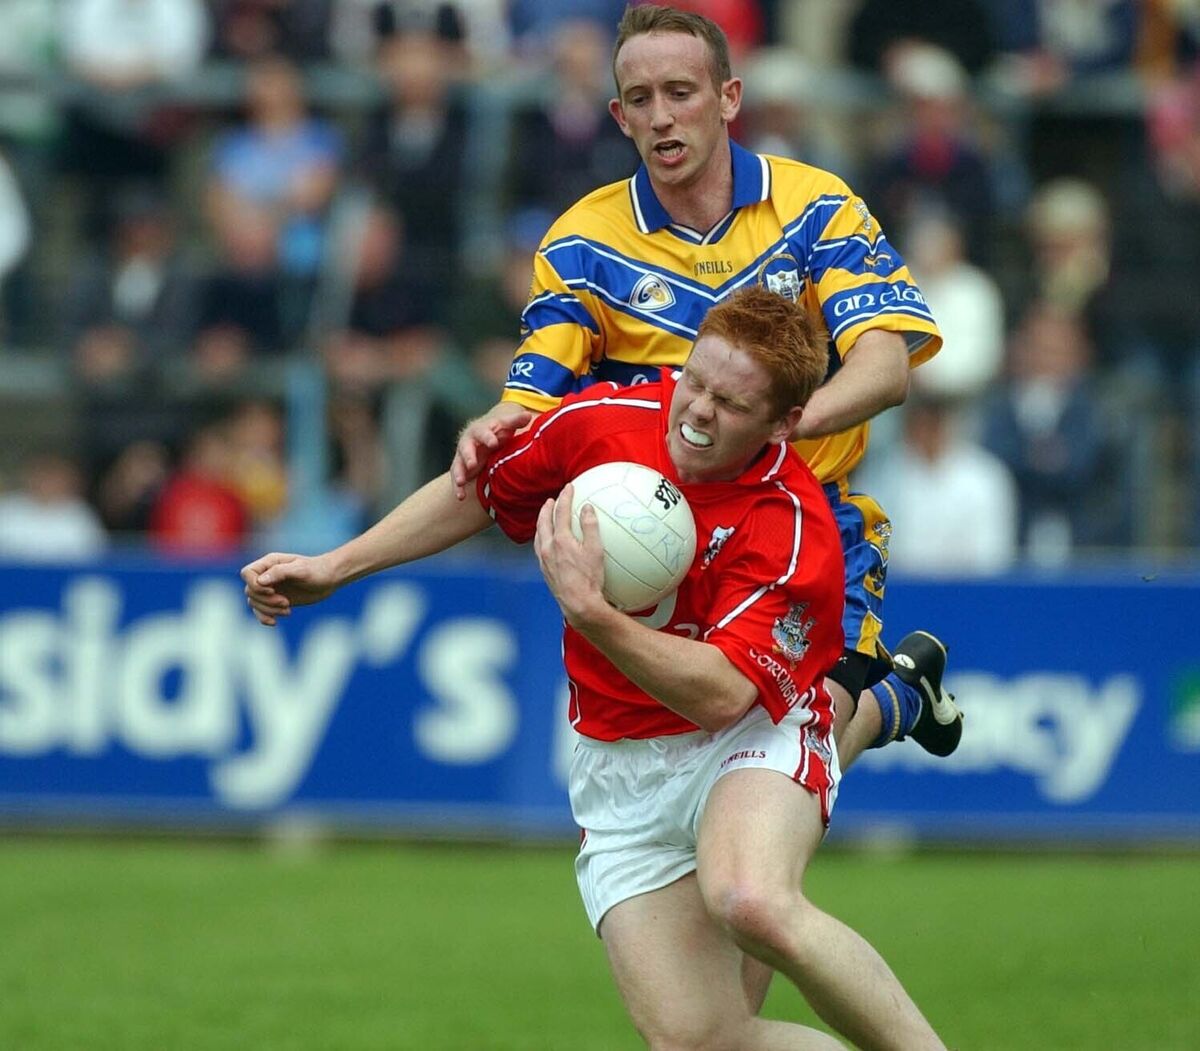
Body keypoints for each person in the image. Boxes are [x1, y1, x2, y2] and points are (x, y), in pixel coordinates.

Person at [242, 287, 946, 1050]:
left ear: (784, 424)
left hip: (746, 733)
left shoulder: (794, 525)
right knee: (701, 1040)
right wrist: (334, 566)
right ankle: (891, 703)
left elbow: (722, 695)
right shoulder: (603, 421)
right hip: (621, 760)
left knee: (751, 900)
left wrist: (595, 615)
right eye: (696, 383)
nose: (699, 411)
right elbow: (479, 488)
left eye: (731, 404)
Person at [452, 5, 961, 797]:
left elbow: (886, 366)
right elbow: (524, 413)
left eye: (681, 91)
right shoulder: (583, 242)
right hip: (664, 541)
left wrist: (783, 432)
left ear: (728, 97)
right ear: (618, 115)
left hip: (805, 519)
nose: (662, 116)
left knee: (777, 791)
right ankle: (895, 694)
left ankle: (884, 696)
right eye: (642, 99)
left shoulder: (816, 205)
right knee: (713, 833)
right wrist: (492, 421)